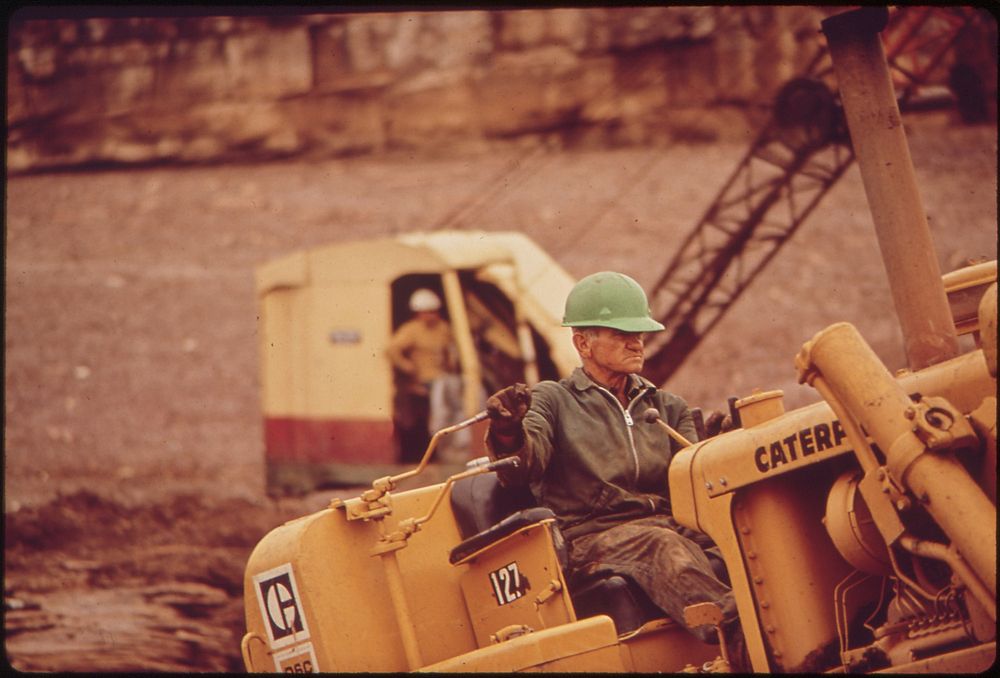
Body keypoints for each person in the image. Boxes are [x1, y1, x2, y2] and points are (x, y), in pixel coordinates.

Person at [485, 271, 745, 666]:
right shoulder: (553, 401)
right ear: (582, 343)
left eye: (640, 331)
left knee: (742, 530)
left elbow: (693, 483)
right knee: (659, 544)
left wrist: (719, 450)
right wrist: (508, 433)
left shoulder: (668, 407)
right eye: (620, 332)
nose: (636, 341)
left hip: (667, 524)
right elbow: (523, 465)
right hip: (591, 536)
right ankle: (742, 637)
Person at [386, 288, 463, 463]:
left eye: (432, 311)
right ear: (417, 313)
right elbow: (392, 350)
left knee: (448, 414)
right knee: (418, 422)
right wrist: (407, 367)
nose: (429, 316)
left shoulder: (444, 328)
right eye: (425, 312)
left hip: (441, 380)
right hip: (421, 383)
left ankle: (443, 454)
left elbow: (451, 350)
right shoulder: (411, 330)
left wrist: (451, 365)